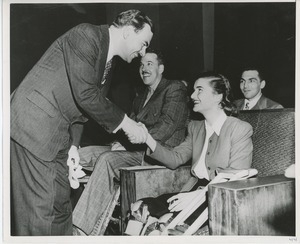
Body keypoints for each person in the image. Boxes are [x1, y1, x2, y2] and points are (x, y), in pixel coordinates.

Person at [10, 9, 154, 236]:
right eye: (144, 43)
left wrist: (74, 147)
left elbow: (82, 109)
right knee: (40, 211)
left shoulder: (108, 61)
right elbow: (85, 94)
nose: (143, 51)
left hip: (55, 134)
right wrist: (128, 124)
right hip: (33, 126)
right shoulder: (86, 35)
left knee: (60, 206)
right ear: (128, 31)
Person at [72, 49, 189, 235]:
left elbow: (165, 127)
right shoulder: (141, 95)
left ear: (161, 68)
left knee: (107, 159)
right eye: (141, 65)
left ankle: (80, 230)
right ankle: (65, 214)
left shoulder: (174, 88)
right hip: (134, 150)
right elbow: (130, 125)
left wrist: (127, 145)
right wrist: (122, 142)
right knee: (80, 156)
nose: (143, 68)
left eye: (149, 64)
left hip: (156, 156)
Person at [127, 72, 253, 235]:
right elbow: (175, 159)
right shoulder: (195, 127)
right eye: (194, 90)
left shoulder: (239, 129)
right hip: (191, 191)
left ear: (218, 96)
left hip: (218, 199)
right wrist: (147, 139)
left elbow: (237, 180)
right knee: (139, 208)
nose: (193, 95)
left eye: (199, 90)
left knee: (165, 223)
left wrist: (199, 195)